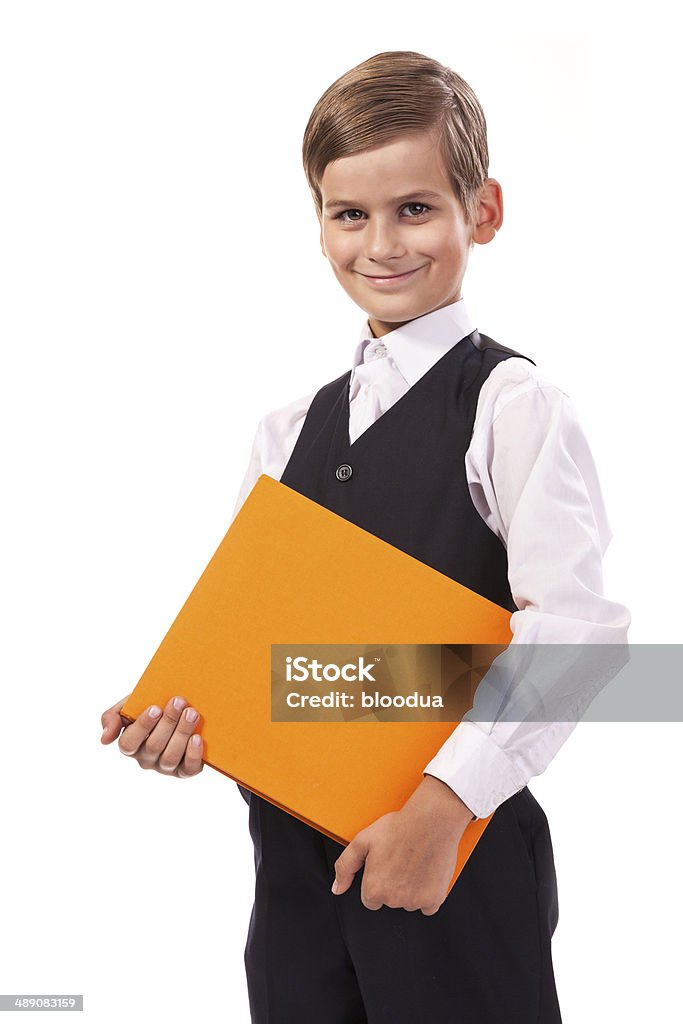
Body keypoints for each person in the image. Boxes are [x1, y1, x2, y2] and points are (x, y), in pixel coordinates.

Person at [101, 50, 631, 1023]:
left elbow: (581, 636)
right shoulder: (282, 431)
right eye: (349, 214)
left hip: (458, 877)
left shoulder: (513, 406)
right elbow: (278, 668)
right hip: (294, 899)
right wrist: (187, 728)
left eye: (414, 209)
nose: (380, 244)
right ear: (317, 224)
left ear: (483, 211)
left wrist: (442, 807)